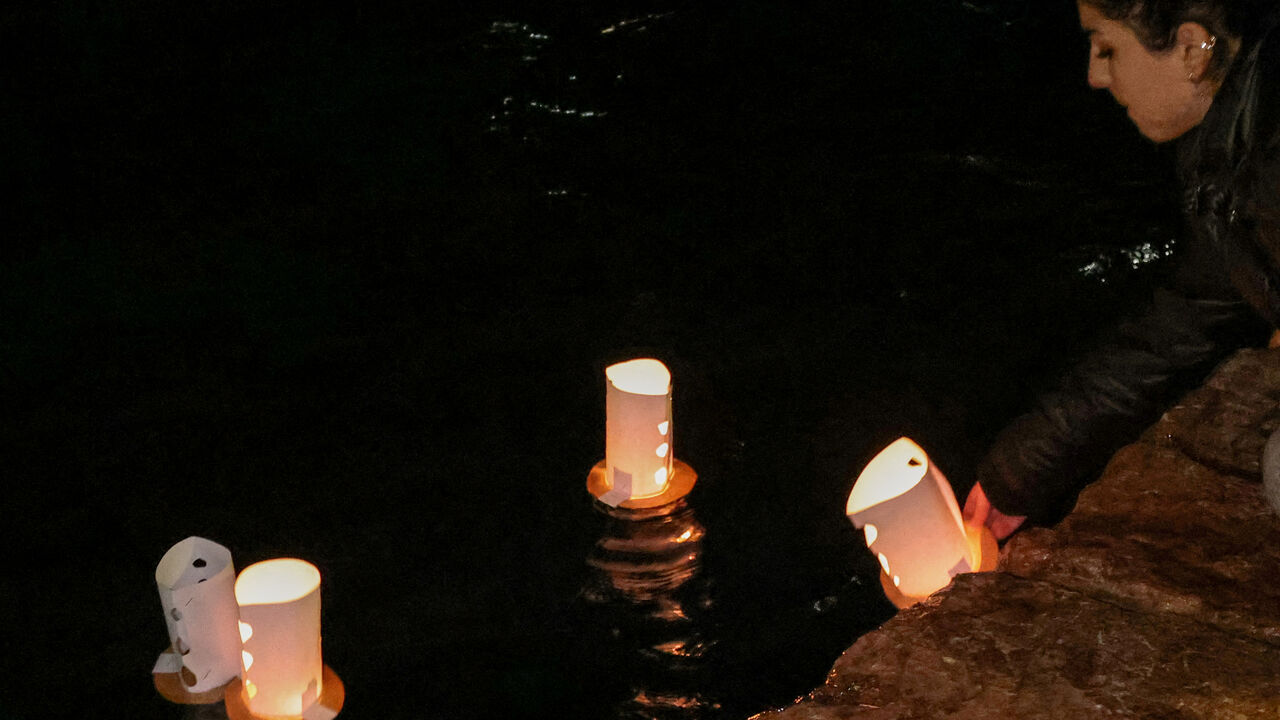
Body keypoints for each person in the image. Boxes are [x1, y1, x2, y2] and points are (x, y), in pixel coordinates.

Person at [964, 0, 1280, 539]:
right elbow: (1183, 322)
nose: (1094, 75)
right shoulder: (1234, 153)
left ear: (1191, 48)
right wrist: (1019, 472)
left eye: (1107, 47)